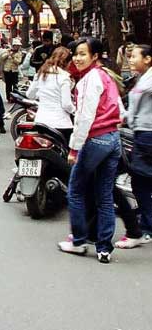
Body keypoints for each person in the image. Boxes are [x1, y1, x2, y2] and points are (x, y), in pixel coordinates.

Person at [58, 37, 123, 263]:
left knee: (75, 190)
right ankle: (104, 247)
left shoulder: (89, 80)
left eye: (83, 53)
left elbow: (84, 118)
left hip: (95, 140)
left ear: (95, 56)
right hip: (113, 139)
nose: (77, 58)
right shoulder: (107, 77)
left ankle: (78, 240)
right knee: (104, 196)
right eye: (75, 53)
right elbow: (121, 112)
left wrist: (74, 149)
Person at [117, 44, 152, 249]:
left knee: (140, 181)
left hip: (147, 135)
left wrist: (125, 119)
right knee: (142, 181)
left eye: (134, 56)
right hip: (141, 133)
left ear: (147, 59)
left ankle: (147, 226)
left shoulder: (148, 80)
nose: (130, 59)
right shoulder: (142, 78)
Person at [26, 47, 75, 140]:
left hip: (41, 122)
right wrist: (75, 111)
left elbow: (30, 95)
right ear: (67, 62)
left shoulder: (41, 73)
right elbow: (66, 104)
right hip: (61, 124)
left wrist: (42, 94)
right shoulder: (64, 77)